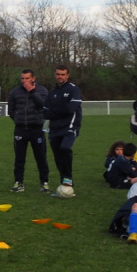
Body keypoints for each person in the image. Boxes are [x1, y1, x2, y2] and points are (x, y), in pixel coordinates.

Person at [7, 68, 50, 193]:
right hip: (21, 130)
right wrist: (18, 120)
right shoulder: (15, 92)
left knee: (41, 157)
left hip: (37, 129)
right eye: (22, 78)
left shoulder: (42, 90)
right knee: (19, 158)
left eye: (27, 78)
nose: (24, 81)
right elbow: (11, 110)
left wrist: (32, 91)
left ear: (33, 78)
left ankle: (44, 183)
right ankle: (19, 182)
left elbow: (44, 105)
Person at [43, 64, 82, 196]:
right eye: (58, 74)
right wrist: (61, 110)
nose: (60, 76)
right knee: (58, 157)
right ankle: (64, 182)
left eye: (63, 74)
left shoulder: (74, 89)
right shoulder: (53, 92)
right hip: (54, 129)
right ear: (55, 75)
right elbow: (45, 113)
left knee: (65, 148)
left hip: (70, 126)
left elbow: (71, 109)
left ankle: (68, 178)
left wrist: (55, 111)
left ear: (67, 75)